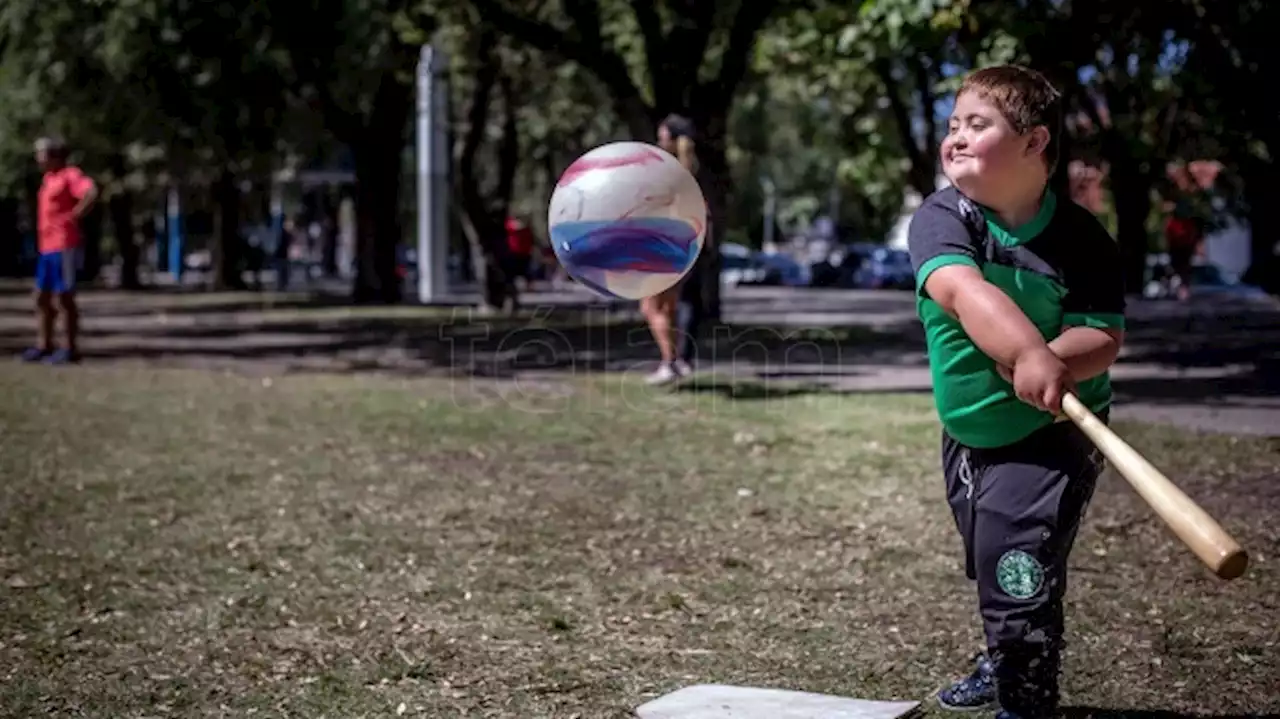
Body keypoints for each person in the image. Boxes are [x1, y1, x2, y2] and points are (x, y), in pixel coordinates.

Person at [906, 65, 1125, 719]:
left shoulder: (1082, 240)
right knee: (995, 557)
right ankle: (1004, 652)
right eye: (952, 126)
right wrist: (1025, 351)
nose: (956, 138)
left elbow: (1104, 336)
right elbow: (962, 291)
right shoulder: (944, 217)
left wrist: (1052, 360)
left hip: (1053, 433)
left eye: (978, 124)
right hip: (970, 430)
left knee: (1015, 560)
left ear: (1034, 143)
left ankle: (1026, 699)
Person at [641, 113, 705, 386]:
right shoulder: (691, 171)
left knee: (649, 306)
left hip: (661, 243)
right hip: (683, 245)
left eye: (662, 136)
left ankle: (670, 362)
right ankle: (675, 360)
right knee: (668, 308)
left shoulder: (664, 172)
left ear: (671, 140)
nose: (658, 141)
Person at [21, 137, 97, 365]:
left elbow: (90, 192)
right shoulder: (48, 179)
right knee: (41, 297)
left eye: (41, 153)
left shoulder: (69, 175)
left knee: (64, 297)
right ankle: (44, 345)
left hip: (64, 245)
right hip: (47, 247)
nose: (38, 158)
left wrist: (75, 215)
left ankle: (70, 349)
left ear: (54, 155)